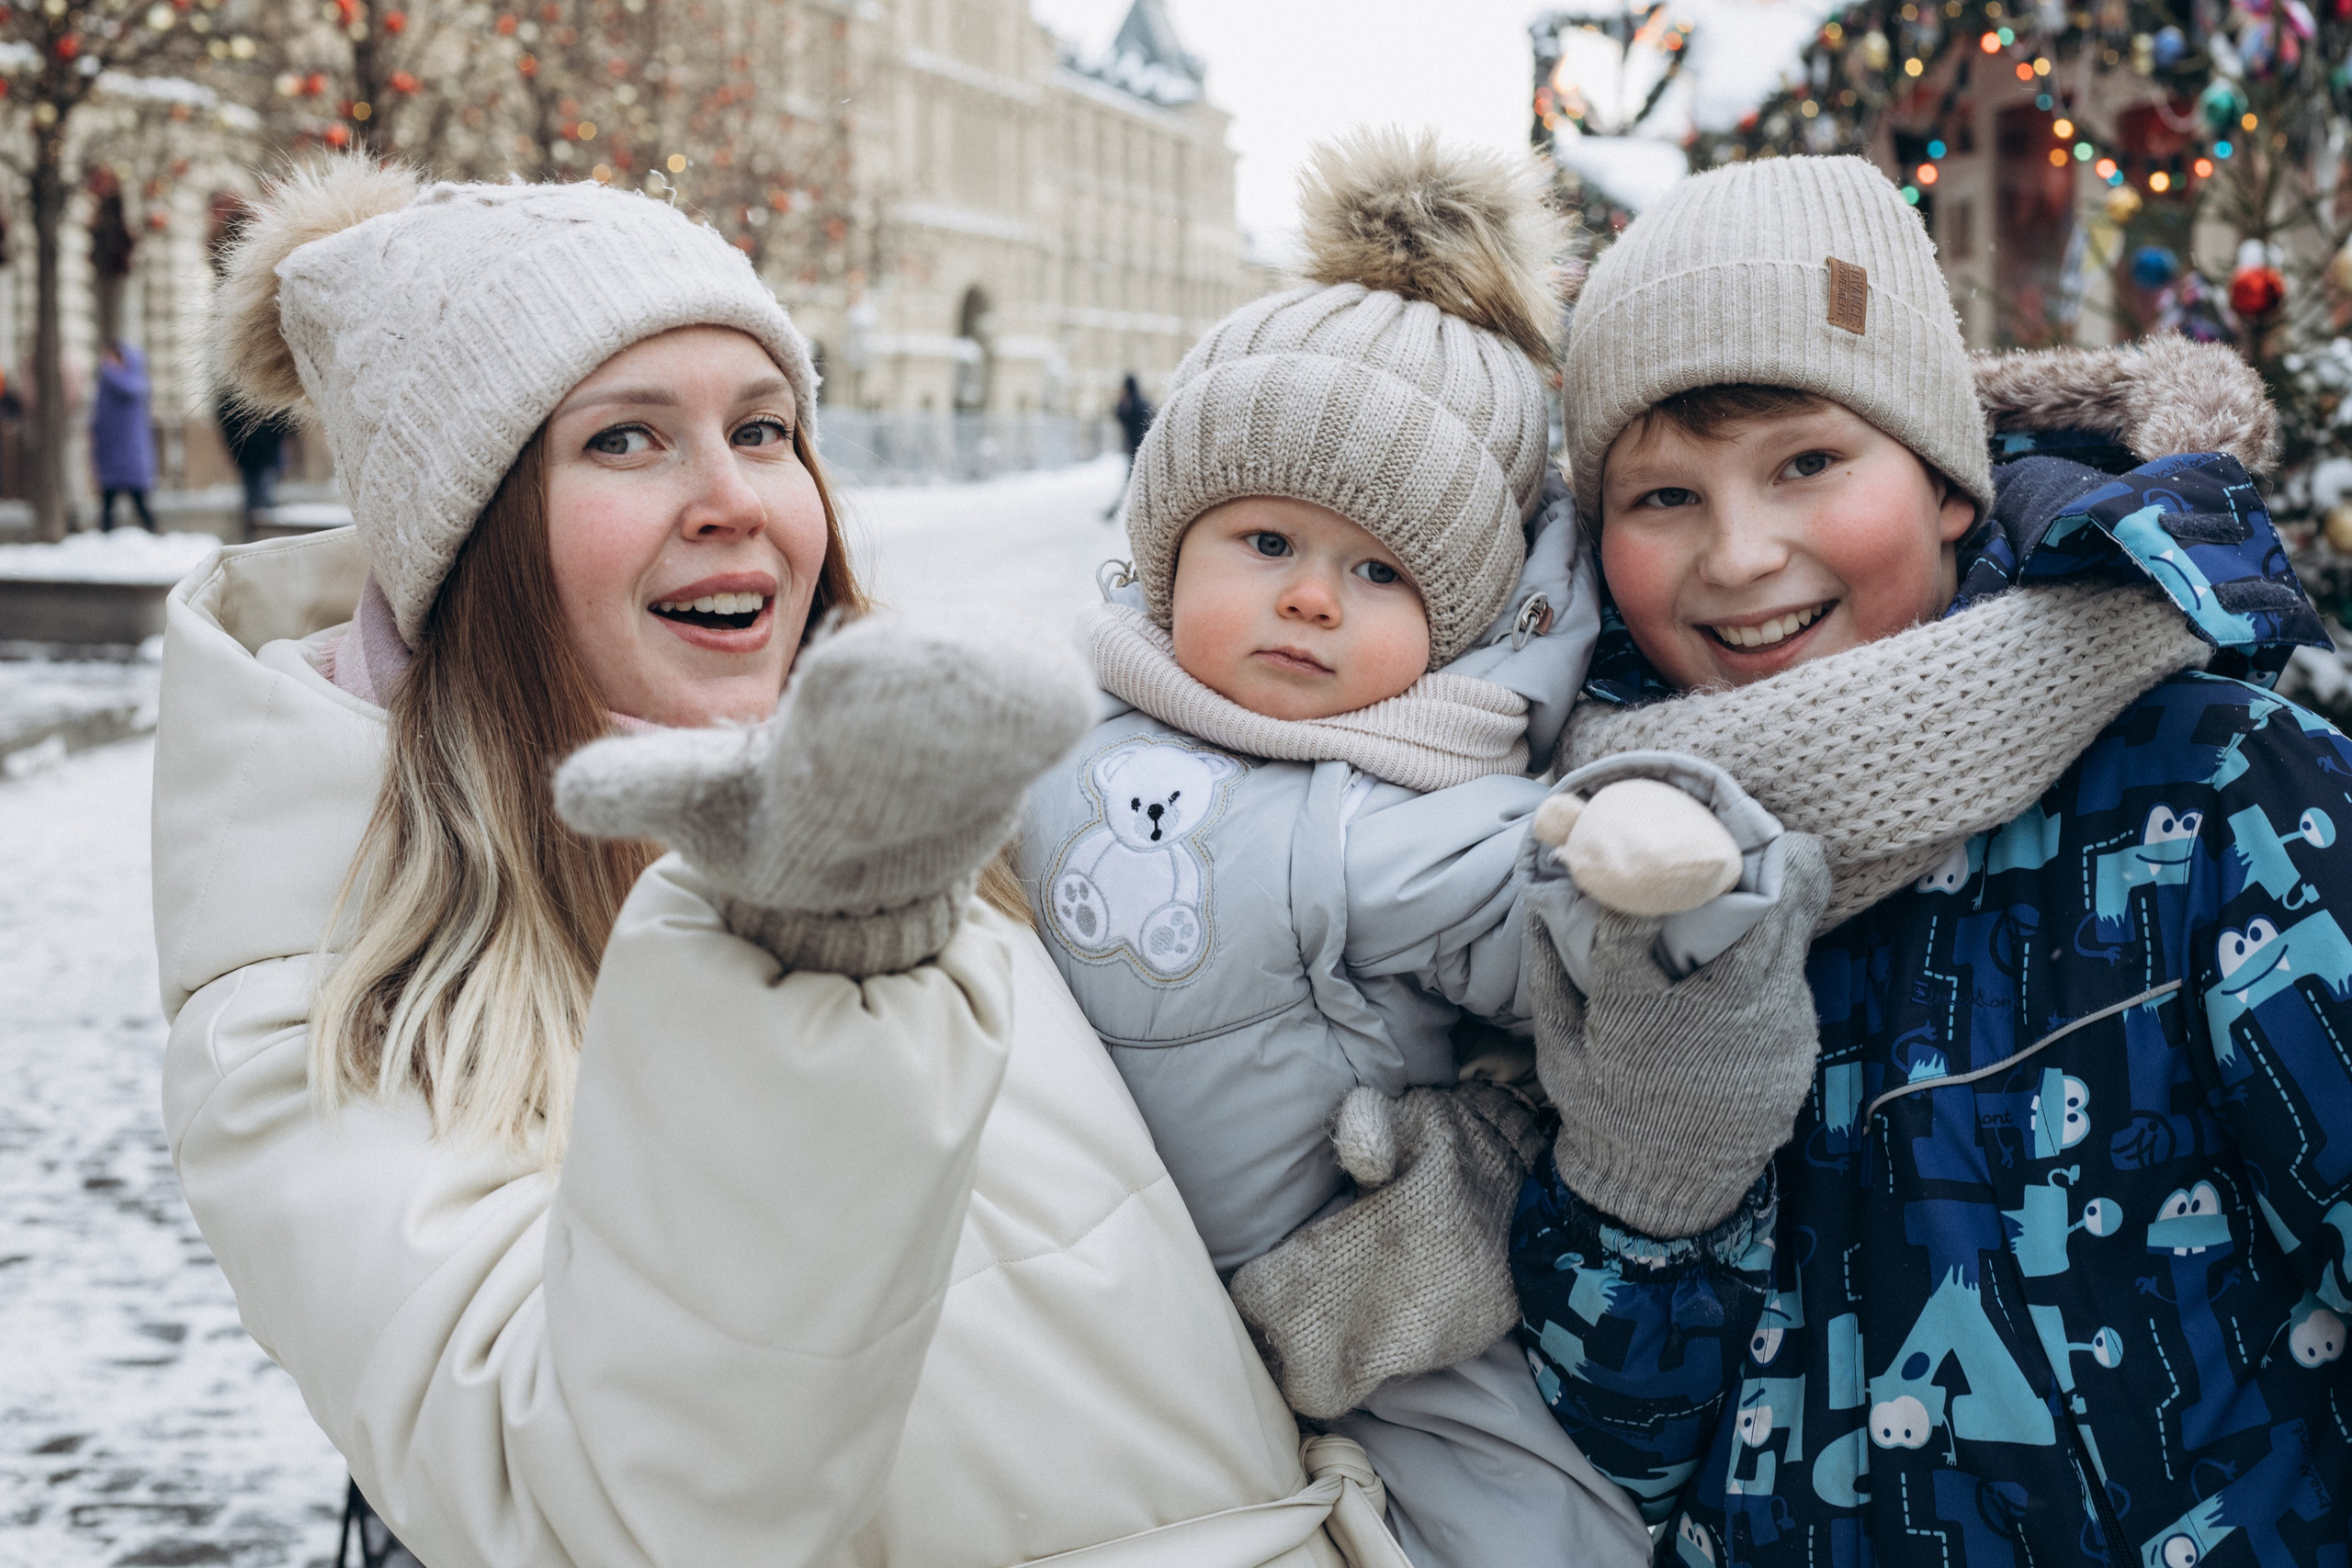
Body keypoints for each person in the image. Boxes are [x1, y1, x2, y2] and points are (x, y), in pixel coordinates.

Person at [159, 158, 1415, 1568]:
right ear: (469, 532)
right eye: (625, 441)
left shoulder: (936, 810)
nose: (734, 499)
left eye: (763, 431)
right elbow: (617, 1513)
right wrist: (795, 955)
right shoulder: (320, 993)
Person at [1246, 155, 2352, 1563]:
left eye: (1808, 462)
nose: (1740, 551)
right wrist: (1652, 1175)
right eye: (1662, 498)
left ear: (1949, 479)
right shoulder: (1599, 853)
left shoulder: (2215, 788)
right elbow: (1625, 1445)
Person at [1020, 129, 1784, 1568]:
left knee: (1519, 1509)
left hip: (1368, 1301)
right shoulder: (1057, 728)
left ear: (1458, 621)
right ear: (1168, 543)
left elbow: (1532, 888)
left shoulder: (1390, 806)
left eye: (1379, 572)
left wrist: (1655, 862)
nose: (1312, 599)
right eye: (1265, 541)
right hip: (1089, 1298)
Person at [91, 340, 155, 532]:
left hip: (126, 453)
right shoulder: (112, 384)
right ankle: (109, 536)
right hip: (114, 453)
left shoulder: (125, 382)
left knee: (135, 499)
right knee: (111, 500)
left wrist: (109, 370)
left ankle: (151, 534)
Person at [217, 392, 291, 530]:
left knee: (264, 499)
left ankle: (263, 532)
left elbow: (281, 421)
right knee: (256, 499)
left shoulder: (264, 392)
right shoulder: (233, 398)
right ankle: (257, 532)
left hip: (262, 455)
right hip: (250, 456)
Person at [1105, 372, 1152, 520]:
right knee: (1136, 482)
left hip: (1136, 449)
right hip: (1140, 448)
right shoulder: (1141, 402)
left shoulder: (1131, 403)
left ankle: (1119, 512)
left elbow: (1122, 418)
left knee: (1135, 483)